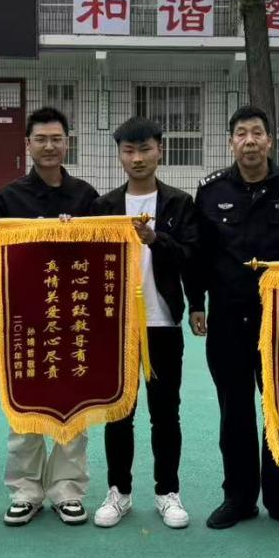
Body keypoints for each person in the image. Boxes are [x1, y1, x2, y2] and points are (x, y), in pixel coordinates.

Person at [191, 105, 279, 536]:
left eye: (257, 133)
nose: (250, 141)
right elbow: (200, 254)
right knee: (234, 410)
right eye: (241, 133)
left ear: (270, 141)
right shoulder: (210, 191)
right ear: (230, 143)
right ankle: (238, 498)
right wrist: (196, 303)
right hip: (228, 318)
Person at [0, 105, 100, 527]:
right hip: (26, 318)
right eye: (41, 139)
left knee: (75, 404)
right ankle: (25, 490)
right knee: (25, 404)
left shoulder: (86, 196)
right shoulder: (8, 198)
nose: (49, 146)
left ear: (67, 143)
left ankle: (67, 489)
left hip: (74, 317)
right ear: (27, 145)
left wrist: (76, 234)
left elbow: (100, 253)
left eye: (56, 139)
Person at [91, 117, 199, 530]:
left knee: (165, 413)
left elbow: (192, 256)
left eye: (145, 149)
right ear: (120, 155)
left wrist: (157, 240)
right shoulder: (104, 206)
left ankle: (167, 492)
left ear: (160, 152)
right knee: (118, 411)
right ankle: (118, 491)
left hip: (163, 323)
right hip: (117, 328)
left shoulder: (179, 203)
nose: (137, 158)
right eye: (129, 151)